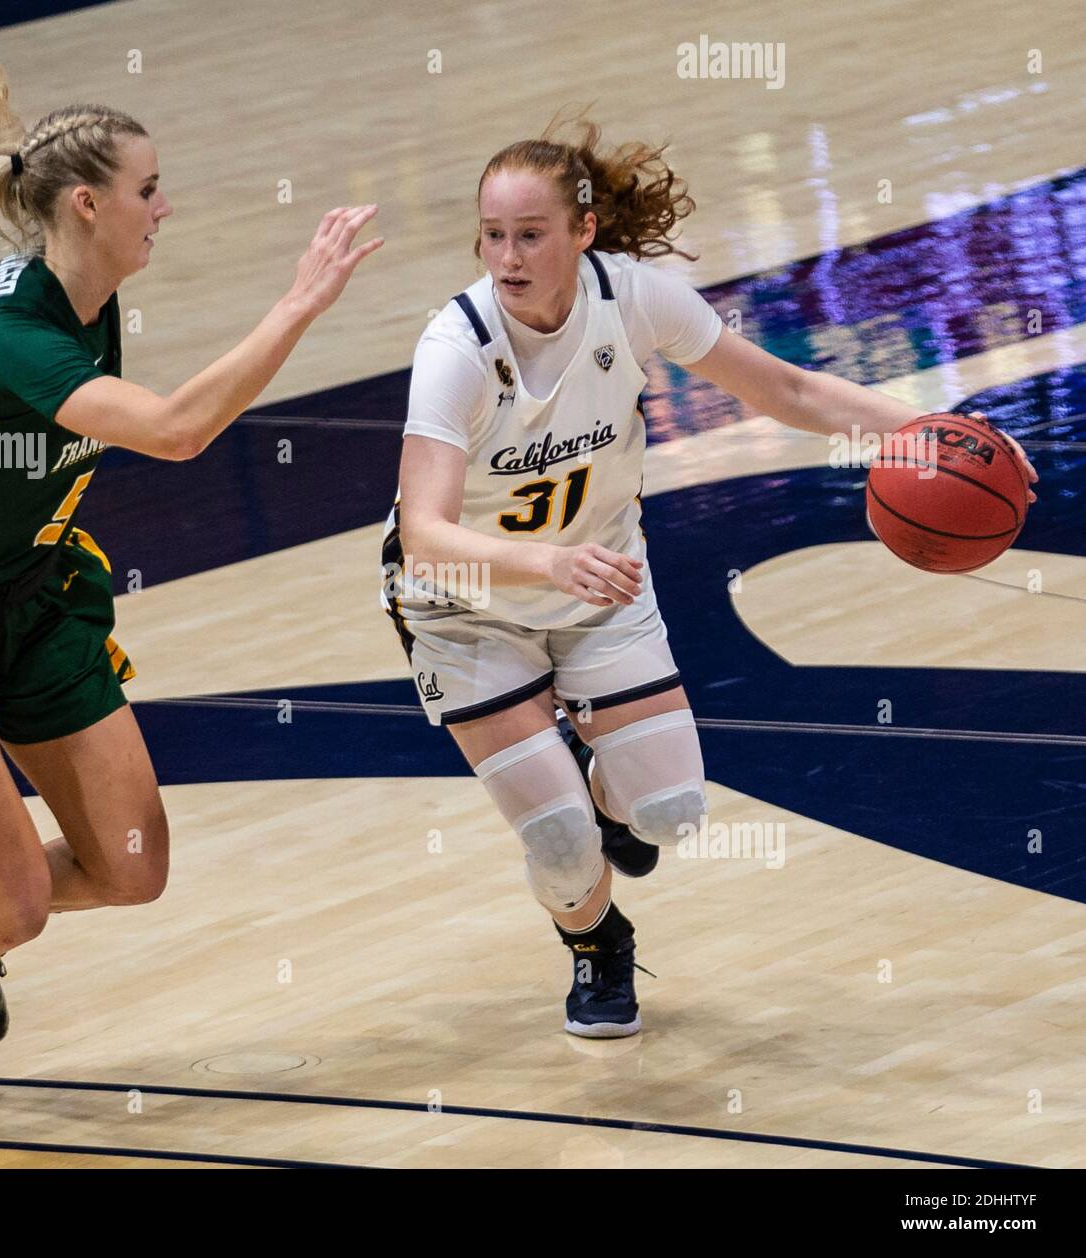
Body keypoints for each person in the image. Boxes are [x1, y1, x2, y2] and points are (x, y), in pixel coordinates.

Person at [382, 117, 1037, 1038]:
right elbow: (424, 534)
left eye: (531, 234)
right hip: (465, 601)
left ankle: (595, 784)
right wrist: (548, 559)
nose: (508, 256)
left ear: (583, 232)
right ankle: (598, 942)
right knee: (561, 844)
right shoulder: (456, 348)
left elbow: (792, 392)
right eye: (492, 236)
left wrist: (941, 434)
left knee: (670, 811)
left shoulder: (637, 298)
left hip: (597, 583)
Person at [0, 61, 382, 1125]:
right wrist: (300, 302)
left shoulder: (75, 291)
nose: (162, 207)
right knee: (20, 905)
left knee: (132, 868)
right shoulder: (16, 335)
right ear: (88, 202)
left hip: (33, 598)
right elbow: (174, 433)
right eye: (148, 188)